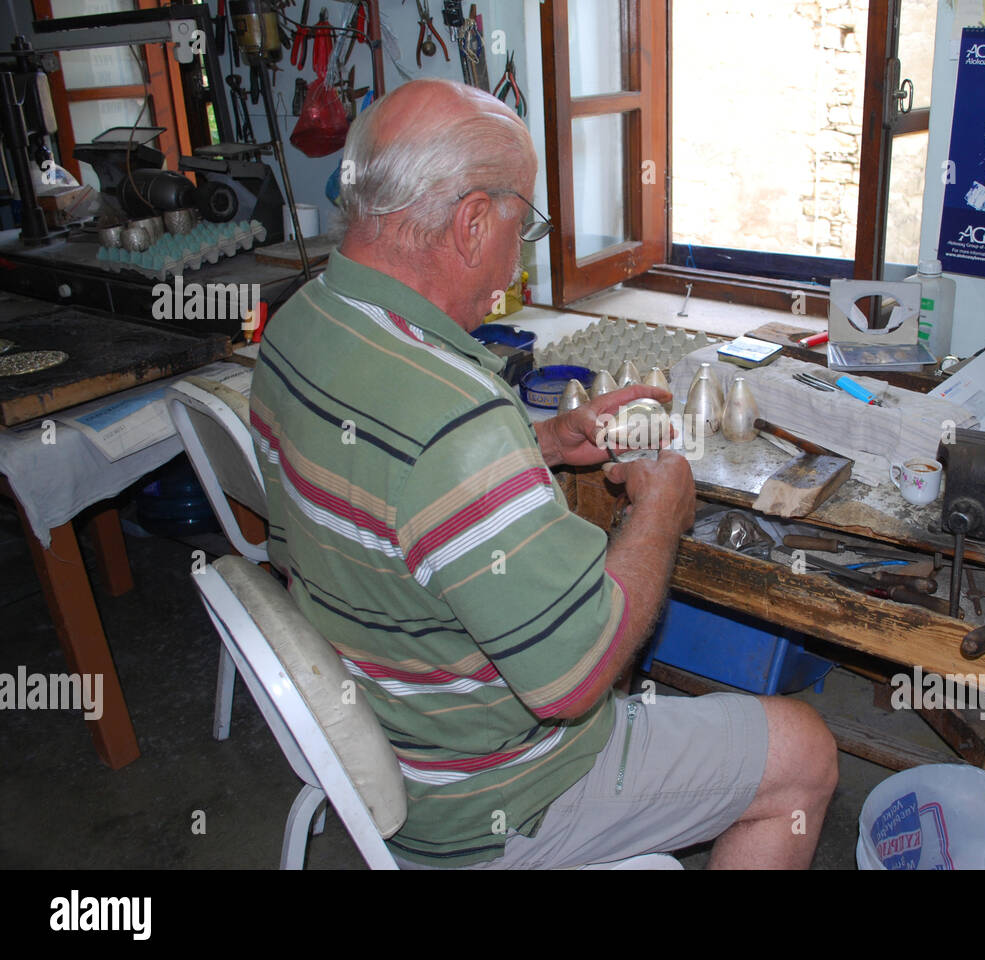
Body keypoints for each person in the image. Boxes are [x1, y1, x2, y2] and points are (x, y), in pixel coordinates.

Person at [250, 78, 836, 869]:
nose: (519, 250)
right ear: (471, 222)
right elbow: (576, 679)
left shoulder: (297, 324)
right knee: (803, 751)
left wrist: (547, 443)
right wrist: (661, 507)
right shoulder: (452, 414)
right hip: (489, 799)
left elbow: (365, 503)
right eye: (522, 223)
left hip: (388, 721)